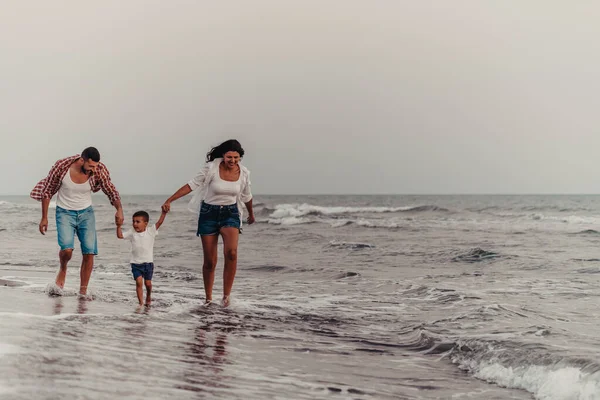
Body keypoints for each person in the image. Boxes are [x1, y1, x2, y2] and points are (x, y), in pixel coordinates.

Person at [161, 139, 254, 307]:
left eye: (236, 157)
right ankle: (208, 299)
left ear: (240, 157)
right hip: (208, 214)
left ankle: (226, 298)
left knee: (231, 253)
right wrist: (170, 200)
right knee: (210, 261)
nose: (232, 161)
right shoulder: (211, 168)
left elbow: (247, 196)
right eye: (229, 157)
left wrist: (251, 214)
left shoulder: (244, 173)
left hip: (230, 213)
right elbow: (192, 185)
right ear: (223, 156)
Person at [30, 147, 124, 295]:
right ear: (82, 160)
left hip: (86, 213)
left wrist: (119, 209)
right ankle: (63, 268)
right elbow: (47, 191)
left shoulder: (99, 169)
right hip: (64, 212)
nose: (94, 169)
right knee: (67, 250)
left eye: (96, 166)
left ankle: (83, 292)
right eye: (90, 166)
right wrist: (44, 217)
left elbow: (110, 190)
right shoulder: (62, 166)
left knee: (89, 252)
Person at [117, 210, 167, 306]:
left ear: (145, 223)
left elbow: (159, 222)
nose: (135, 224)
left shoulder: (151, 231)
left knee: (148, 284)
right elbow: (120, 236)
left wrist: (164, 213)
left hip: (148, 263)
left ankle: (148, 295)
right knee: (139, 282)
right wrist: (118, 226)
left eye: (138, 222)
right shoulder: (132, 232)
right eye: (133, 221)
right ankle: (141, 303)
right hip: (135, 263)